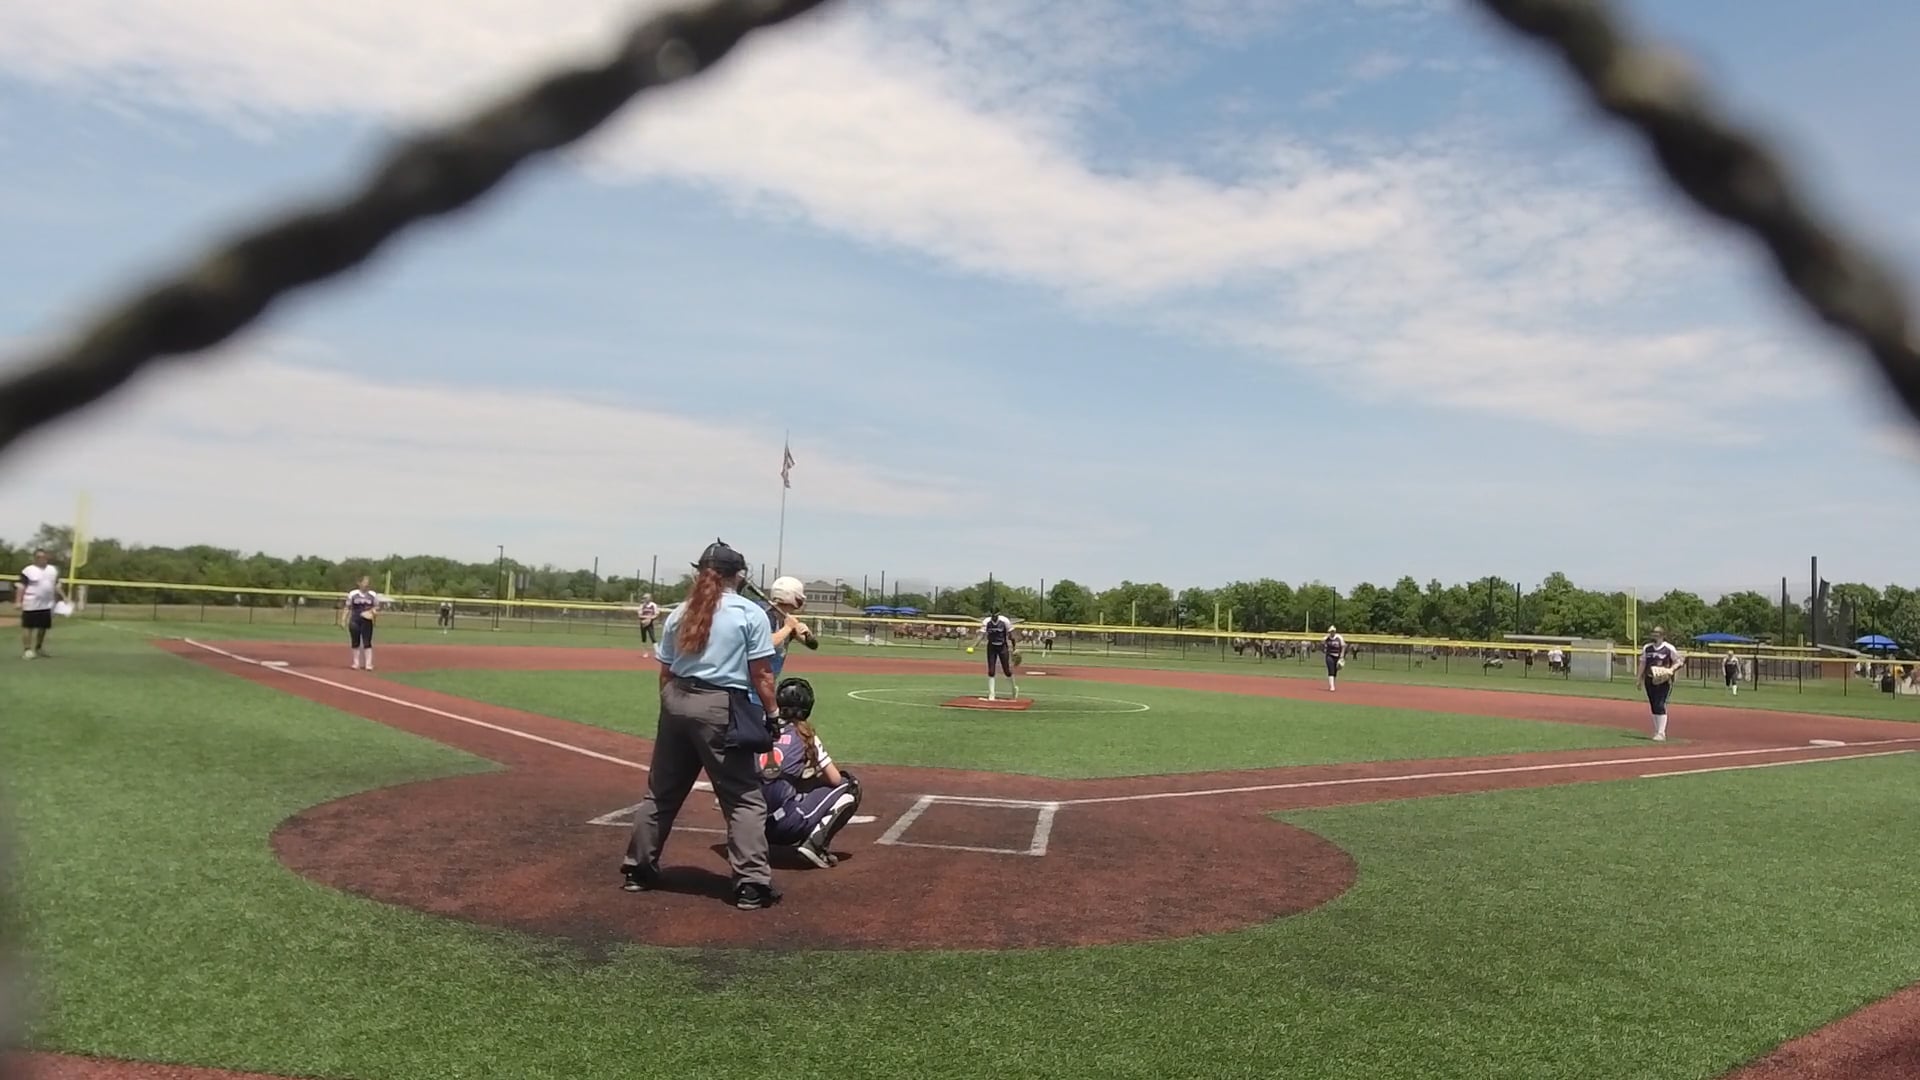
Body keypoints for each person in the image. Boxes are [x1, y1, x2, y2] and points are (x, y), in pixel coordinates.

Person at [621, 541, 783, 911]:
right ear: (738, 576)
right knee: (743, 797)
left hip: (676, 700)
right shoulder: (749, 613)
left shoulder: (681, 612)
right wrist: (772, 714)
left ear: (701, 573)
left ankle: (638, 870)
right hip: (720, 706)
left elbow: (666, 672)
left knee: (661, 793)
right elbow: (762, 674)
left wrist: (671, 709)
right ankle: (752, 884)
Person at [759, 677, 862, 869]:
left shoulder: (759, 728)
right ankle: (815, 845)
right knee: (849, 784)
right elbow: (834, 779)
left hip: (750, 825)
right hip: (785, 828)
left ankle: (743, 844)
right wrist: (812, 780)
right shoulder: (805, 734)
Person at [16, 549, 68, 660]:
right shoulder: (28, 570)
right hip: (31, 603)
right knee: (28, 626)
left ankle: (38, 648)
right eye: (39, 557)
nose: (42, 559)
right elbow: (21, 587)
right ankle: (27, 650)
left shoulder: (52, 570)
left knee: (43, 627)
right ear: (34, 558)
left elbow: (57, 585)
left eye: (44, 557)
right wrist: (18, 601)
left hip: (47, 604)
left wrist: (64, 597)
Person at [764, 576, 817, 676]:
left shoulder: (787, 620)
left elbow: (813, 645)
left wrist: (807, 634)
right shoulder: (765, 617)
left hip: (767, 680)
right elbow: (766, 644)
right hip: (751, 681)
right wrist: (788, 627)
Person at [1638, 625, 1682, 741]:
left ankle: (1662, 733)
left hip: (1663, 680)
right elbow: (1643, 663)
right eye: (1653, 633)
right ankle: (1657, 731)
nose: (1654, 635)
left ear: (1662, 635)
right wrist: (1639, 679)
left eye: (1657, 634)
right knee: (1653, 705)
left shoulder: (1668, 648)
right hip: (1649, 678)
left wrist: (1671, 670)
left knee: (1660, 704)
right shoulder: (1647, 648)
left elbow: (1679, 661)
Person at [340, 577, 380, 670]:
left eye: (368, 582)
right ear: (359, 583)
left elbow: (377, 606)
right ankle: (356, 663)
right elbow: (347, 607)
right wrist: (343, 620)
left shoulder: (373, 595)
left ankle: (368, 664)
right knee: (355, 641)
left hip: (367, 621)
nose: (366, 584)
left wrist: (372, 611)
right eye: (364, 582)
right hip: (355, 620)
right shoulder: (353, 594)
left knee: (367, 642)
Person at [979, 607, 1017, 701]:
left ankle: (1014, 689)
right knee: (991, 671)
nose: (994, 617)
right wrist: (973, 645)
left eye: (995, 615)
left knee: (1006, 670)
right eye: (992, 615)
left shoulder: (1004, 621)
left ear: (998, 614)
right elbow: (981, 635)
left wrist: (1014, 648)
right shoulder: (987, 622)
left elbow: (1012, 636)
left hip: (1002, 647)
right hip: (991, 647)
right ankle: (991, 694)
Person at [1322, 625, 1346, 691]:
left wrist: (1342, 655)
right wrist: (1324, 648)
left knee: (1335, 671)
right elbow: (1322, 643)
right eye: (1331, 631)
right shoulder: (1327, 638)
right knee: (1331, 670)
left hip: (1337, 656)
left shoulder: (1339, 637)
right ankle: (1332, 686)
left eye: (1333, 631)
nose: (1332, 633)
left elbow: (1343, 646)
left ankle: (1333, 684)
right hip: (1329, 656)